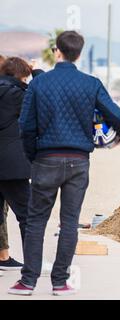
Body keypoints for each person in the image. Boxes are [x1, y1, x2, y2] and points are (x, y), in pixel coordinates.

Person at [8, 31, 120, 296]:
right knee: (69, 222)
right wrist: (119, 139)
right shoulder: (91, 83)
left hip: (46, 158)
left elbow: (26, 126)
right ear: (79, 53)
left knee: (36, 222)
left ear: (57, 51)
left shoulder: (39, 84)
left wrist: (33, 156)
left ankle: (28, 281)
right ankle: (60, 282)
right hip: (79, 162)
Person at [0, 57, 43, 271]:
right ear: (22, 76)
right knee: (28, 215)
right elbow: (43, 94)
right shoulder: (19, 95)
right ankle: (33, 265)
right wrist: (36, 71)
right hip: (11, 166)